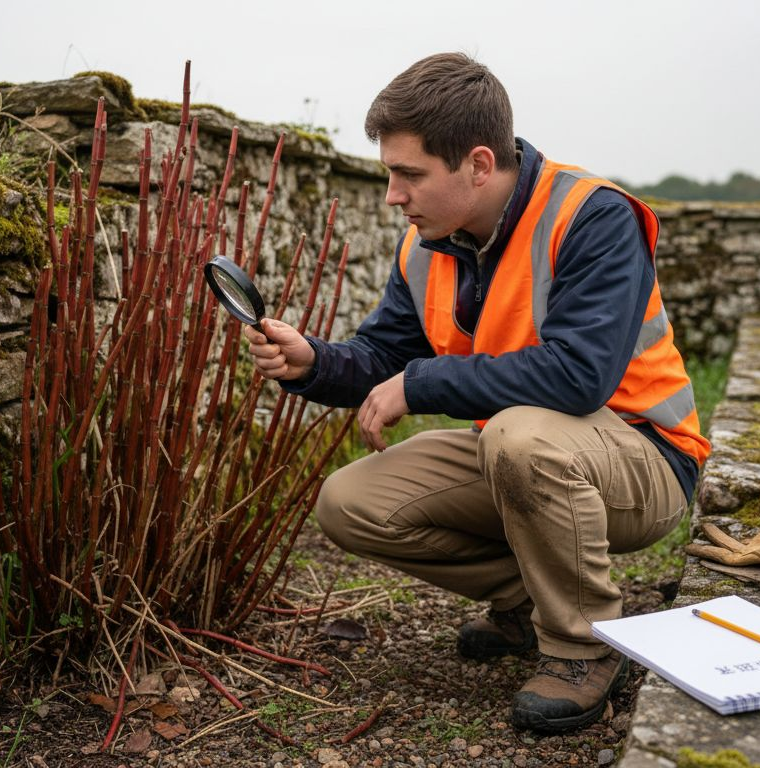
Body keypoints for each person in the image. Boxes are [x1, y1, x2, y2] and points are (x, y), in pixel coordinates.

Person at [242, 52, 711, 734]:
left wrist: (424, 382)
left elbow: (579, 377)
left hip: (645, 458)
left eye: (409, 176)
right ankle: (537, 600)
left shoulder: (593, 217)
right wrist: (312, 359)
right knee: (351, 503)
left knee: (517, 436)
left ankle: (585, 648)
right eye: (389, 174)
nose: (392, 196)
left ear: (479, 164)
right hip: (523, 452)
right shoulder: (425, 244)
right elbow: (383, 356)